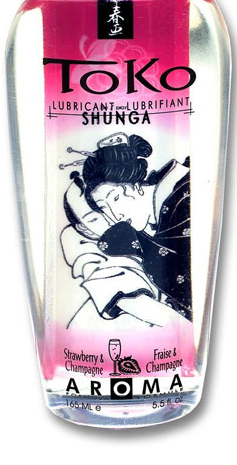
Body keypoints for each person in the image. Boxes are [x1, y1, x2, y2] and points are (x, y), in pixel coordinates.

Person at [82, 133, 192, 320]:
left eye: (115, 198)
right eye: (104, 209)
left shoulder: (185, 196)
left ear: (137, 186)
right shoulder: (159, 219)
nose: (115, 217)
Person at [61, 173, 185, 329]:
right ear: (83, 229)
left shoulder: (148, 220)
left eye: (114, 201)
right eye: (94, 219)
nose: (110, 219)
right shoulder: (92, 256)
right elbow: (137, 304)